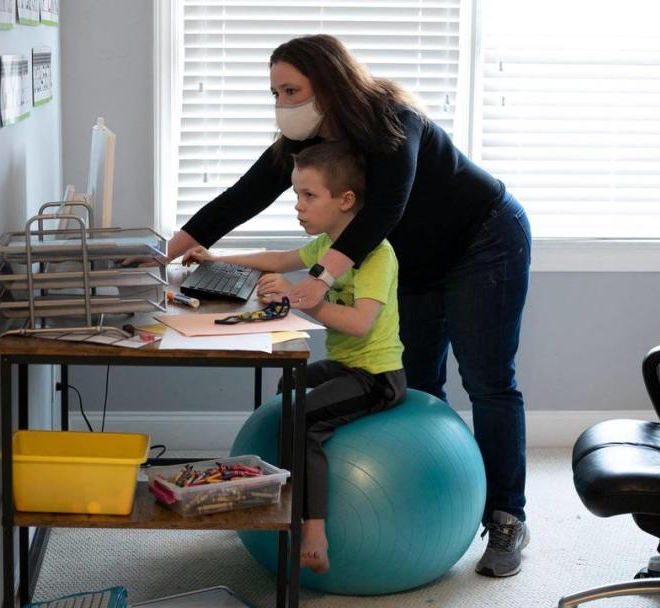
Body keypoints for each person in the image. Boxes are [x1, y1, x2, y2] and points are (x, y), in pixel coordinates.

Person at [170, 34, 532, 577]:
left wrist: (317, 280)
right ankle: (416, 512)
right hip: (411, 258)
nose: (283, 104)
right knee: (419, 382)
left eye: (292, 90)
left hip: (484, 239)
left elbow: (387, 205)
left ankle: (507, 517)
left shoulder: (392, 119)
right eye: (275, 93)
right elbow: (242, 196)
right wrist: (161, 255)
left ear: (330, 85)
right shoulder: (308, 144)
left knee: (487, 379)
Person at [184, 143, 406, 574]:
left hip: (377, 376)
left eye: (309, 196)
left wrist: (298, 300)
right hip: (348, 368)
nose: (298, 208)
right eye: (295, 196)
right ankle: (286, 485)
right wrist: (216, 257)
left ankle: (315, 531)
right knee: (289, 383)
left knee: (302, 417)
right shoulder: (327, 243)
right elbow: (279, 259)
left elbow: (360, 323)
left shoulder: (376, 254)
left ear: (345, 200)